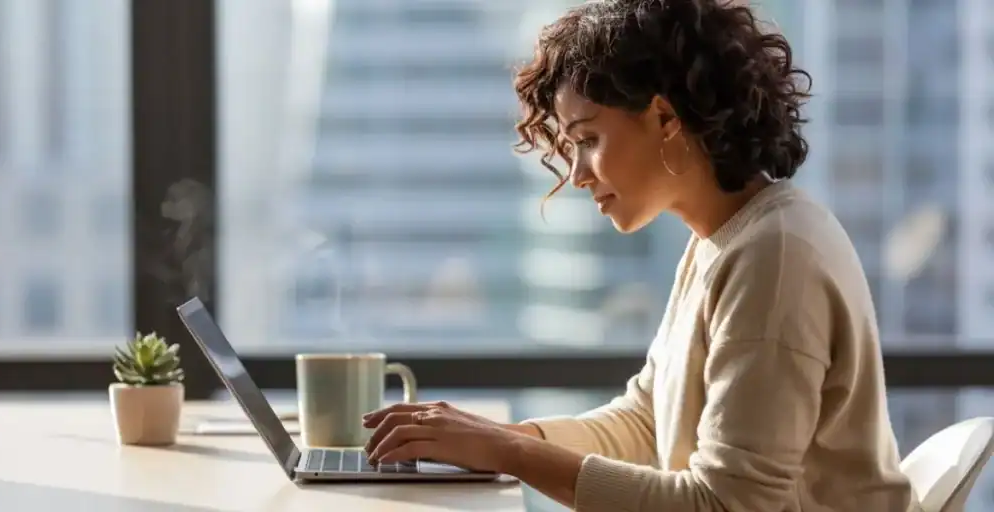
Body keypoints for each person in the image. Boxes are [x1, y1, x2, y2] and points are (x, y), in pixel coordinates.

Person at [361, 0, 921, 510]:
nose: (577, 174)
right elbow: (646, 422)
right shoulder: (721, 241)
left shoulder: (773, 258)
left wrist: (508, 453)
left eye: (588, 139)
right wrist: (497, 441)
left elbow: (725, 505)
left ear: (664, 117)